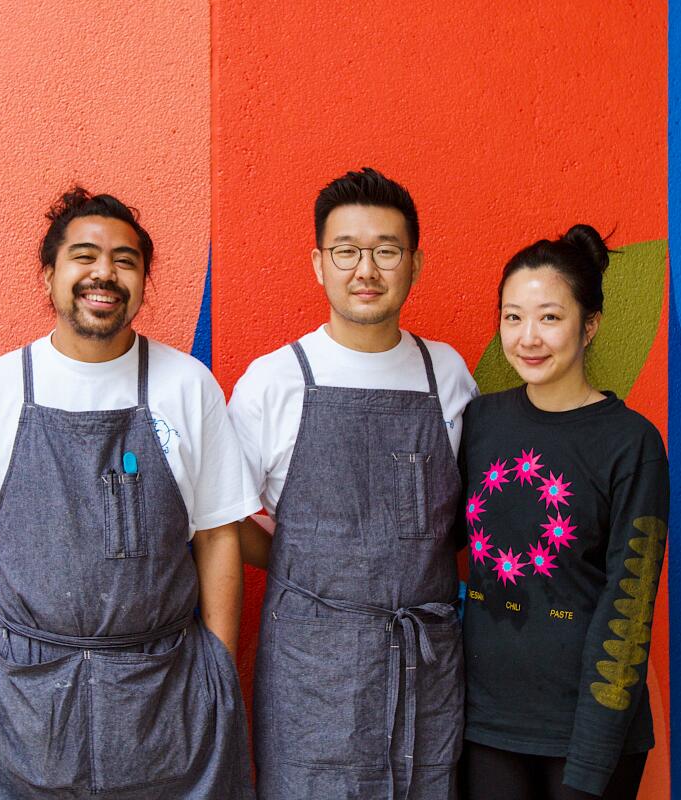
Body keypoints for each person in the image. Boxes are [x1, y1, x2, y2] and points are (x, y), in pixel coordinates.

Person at [0, 186, 256, 799]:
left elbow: (218, 536)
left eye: (125, 260)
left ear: (145, 281)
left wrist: (218, 670)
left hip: (166, 697)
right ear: (49, 276)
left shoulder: (188, 385)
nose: (105, 273)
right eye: (85, 255)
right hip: (22, 702)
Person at [228, 167, 478, 799]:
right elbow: (223, 519)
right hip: (311, 668)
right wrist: (300, 565)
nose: (365, 269)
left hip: (426, 663)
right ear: (318, 263)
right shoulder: (274, 379)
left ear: (415, 264)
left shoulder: (445, 373)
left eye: (386, 251)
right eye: (346, 251)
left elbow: (474, 519)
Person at [458, 225, 668, 800]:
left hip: (586, 734)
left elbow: (630, 608)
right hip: (484, 725)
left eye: (549, 317)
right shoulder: (479, 423)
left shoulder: (632, 443)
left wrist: (590, 763)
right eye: (512, 317)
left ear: (590, 324)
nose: (528, 337)